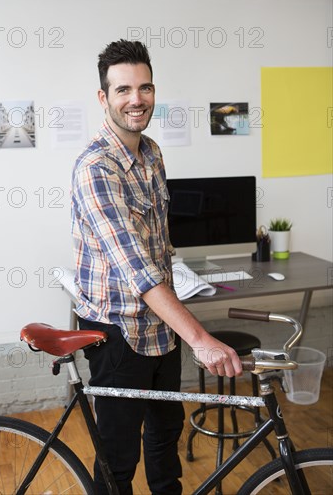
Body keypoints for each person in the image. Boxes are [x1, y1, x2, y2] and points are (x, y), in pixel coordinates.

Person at [71, 39, 242, 495]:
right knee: (118, 457)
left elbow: (158, 249)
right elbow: (138, 272)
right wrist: (202, 339)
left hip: (160, 328)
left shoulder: (151, 153)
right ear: (103, 97)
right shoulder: (96, 168)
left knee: (165, 436)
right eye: (123, 89)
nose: (137, 99)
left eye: (145, 88)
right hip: (118, 332)